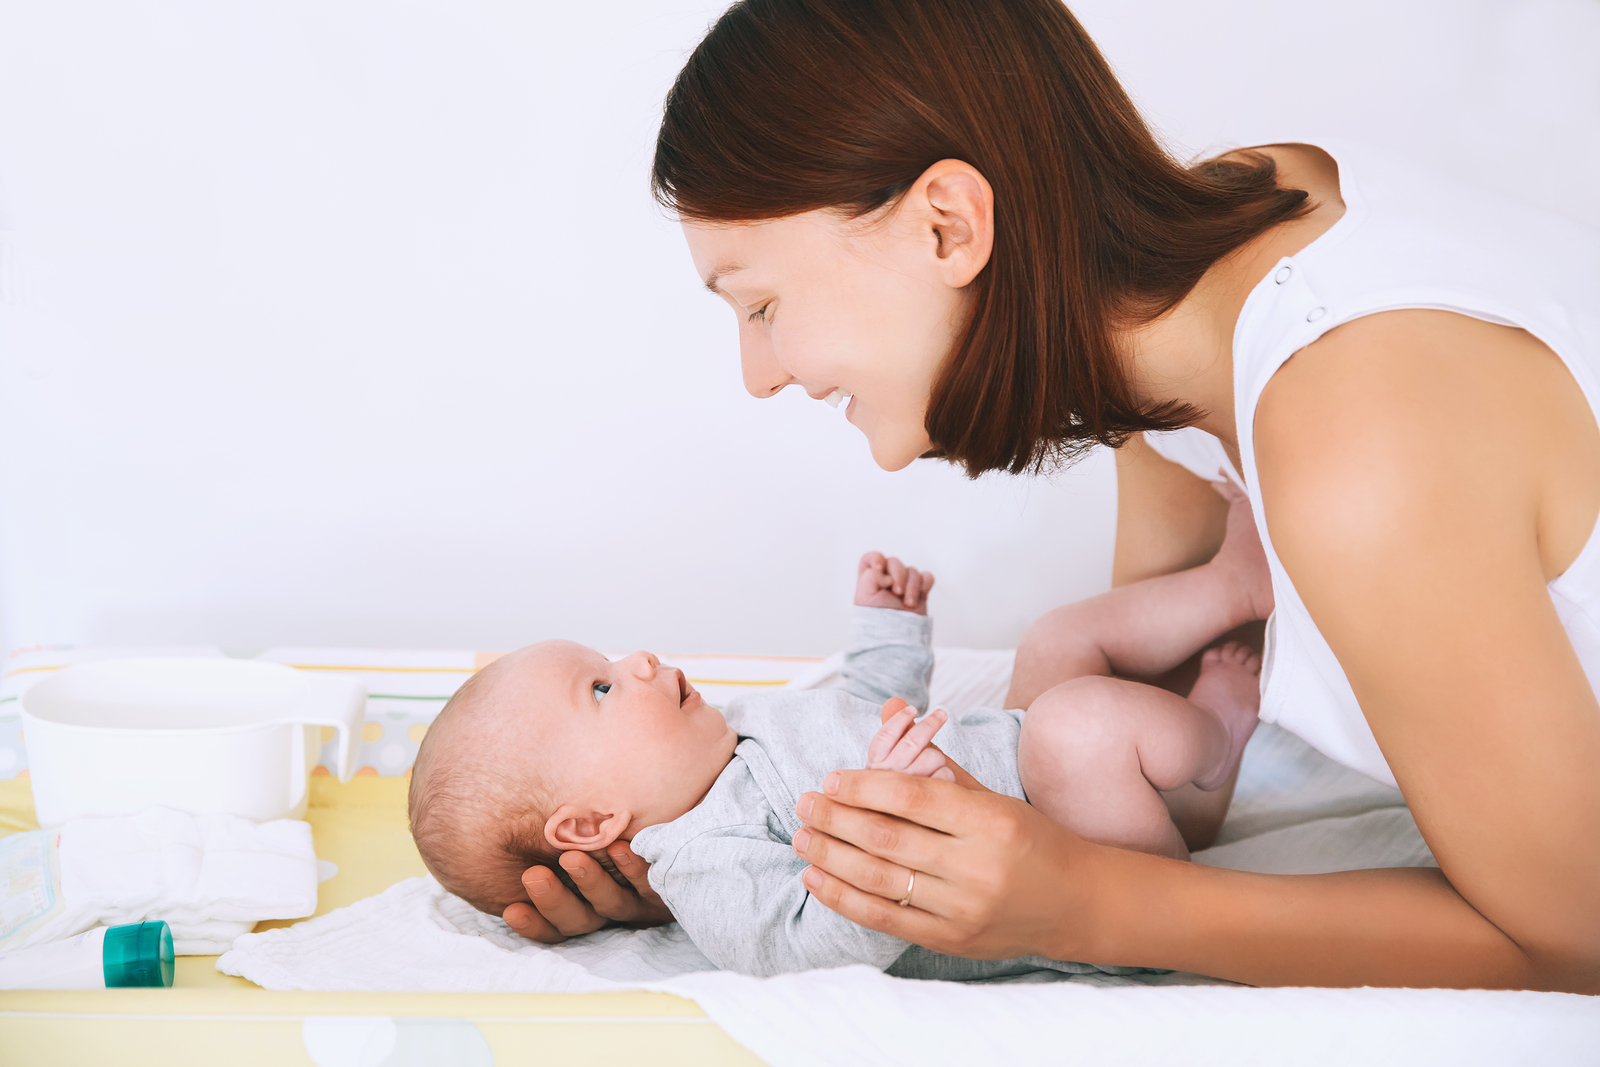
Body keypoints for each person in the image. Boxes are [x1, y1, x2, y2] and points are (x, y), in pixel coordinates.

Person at [504, 0, 1600, 993]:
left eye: (760, 303)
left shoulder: (1360, 451)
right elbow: (1146, 747)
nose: (760, 372)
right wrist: (715, 850)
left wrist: (1084, 903)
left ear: (947, 225)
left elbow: (1575, 936)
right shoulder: (1210, 266)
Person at [412, 524, 1266, 975]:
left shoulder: (731, 735)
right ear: (593, 820)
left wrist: (888, 628)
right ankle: (1214, 756)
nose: (634, 660)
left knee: (1056, 639)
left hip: (1042, 776)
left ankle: (1234, 584)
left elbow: (864, 712)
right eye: (600, 688)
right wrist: (879, 811)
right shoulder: (704, 862)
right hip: (1090, 860)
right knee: (1069, 722)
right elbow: (804, 948)